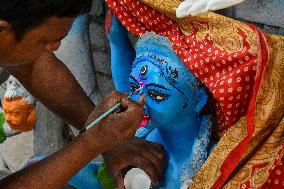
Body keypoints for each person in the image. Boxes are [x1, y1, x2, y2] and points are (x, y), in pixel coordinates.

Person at [105, 0, 284, 188]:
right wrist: (117, 43)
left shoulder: (215, 166)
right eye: (133, 87)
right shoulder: (134, 145)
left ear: (199, 100)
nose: (136, 101)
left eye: (157, 96)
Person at [0, 0, 166, 188]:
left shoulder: (15, 41)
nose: (53, 49)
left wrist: (107, 139)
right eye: (44, 41)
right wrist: (90, 145)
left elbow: (31, 64)